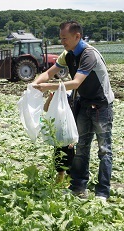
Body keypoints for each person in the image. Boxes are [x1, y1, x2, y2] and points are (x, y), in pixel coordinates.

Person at [32, 21, 114, 200]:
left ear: (77, 36)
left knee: (104, 150)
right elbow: (49, 72)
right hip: (84, 104)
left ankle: (102, 192)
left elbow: (76, 83)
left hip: (102, 106)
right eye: (61, 38)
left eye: (65, 38)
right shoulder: (67, 54)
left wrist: (48, 87)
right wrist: (36, 83)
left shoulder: (89, 55)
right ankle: (78, 187)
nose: (62, 42)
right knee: (82, 147)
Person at [43, 91, 75, 184]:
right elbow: (46, 108)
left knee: (70, 160)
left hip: (69, 136)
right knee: (58, 159)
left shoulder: (71, 104)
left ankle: (70, 182)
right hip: (58, 136)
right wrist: (50, 97)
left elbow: (75, 124)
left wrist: (73, 141)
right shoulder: (56, 105)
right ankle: (59, 181)